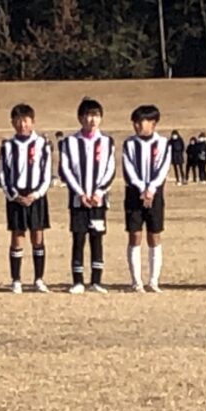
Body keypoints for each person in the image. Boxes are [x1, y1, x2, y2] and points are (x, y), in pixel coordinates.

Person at [59, 98, 116, 294]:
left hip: (99, 201)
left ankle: (96, 281)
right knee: (78, 239)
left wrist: (99, 192)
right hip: (78, 201)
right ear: (80, 118)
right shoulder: (69, 142)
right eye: (89, 115)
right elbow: (65, 169)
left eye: (96, 116)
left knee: (97, 239)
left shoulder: (107, 142)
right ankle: (78, 281)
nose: (92, 120)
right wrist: (80, 193)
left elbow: (110, 170)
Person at [0, 104, 53, 294]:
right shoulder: (7, 146)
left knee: (37, 236)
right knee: (17, 236)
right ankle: (16, 280)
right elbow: (3, 174)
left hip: (36, 196)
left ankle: (39, 279)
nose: (22, 125)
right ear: (12, 122)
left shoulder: (42, 144)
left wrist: (36, 194)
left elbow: (47, 173)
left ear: (32, 121)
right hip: (16, 196)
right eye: (18, 121)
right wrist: (13, 195)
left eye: (25, 121)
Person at [122, 104, 172, 292]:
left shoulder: (163, 143)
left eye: (140, 122)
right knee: (135, 235)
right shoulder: (129, 144)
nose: (137, 125)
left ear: (153, 123)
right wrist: (142, 189)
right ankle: (136, 281)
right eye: (134, 122)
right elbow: (128, 168)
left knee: (154, 234)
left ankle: (153, 281)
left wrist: (151, 189)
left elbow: (163, 168)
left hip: (155, 193)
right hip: (134, 193)